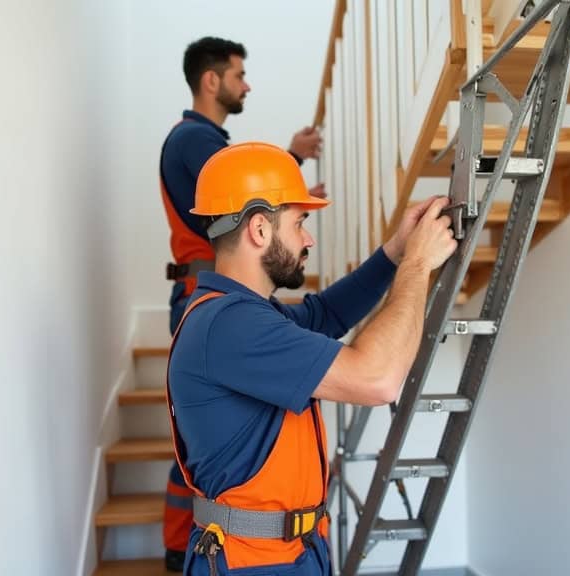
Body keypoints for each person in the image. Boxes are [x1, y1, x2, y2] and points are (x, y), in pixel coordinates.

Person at [166, 142, 458, 575]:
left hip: (292, 553)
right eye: (299, 222)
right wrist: (416, 265)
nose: (308, 238)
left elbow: (326, 314)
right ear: (260, 230)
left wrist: (394, 252)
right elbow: (378, 379)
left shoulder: (247, 315)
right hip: (255, 562)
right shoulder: (229, 325)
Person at [159, 36, 324, 571]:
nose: (246, 83)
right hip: (201, 285)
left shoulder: (200, 140)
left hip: (206, 285)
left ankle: (183, 545)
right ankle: (182, 545)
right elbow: (239, 195)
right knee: (206, 441)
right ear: (212, 80)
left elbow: (248, 203)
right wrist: (292, 164)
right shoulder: (193, 141)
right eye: (238, 74)